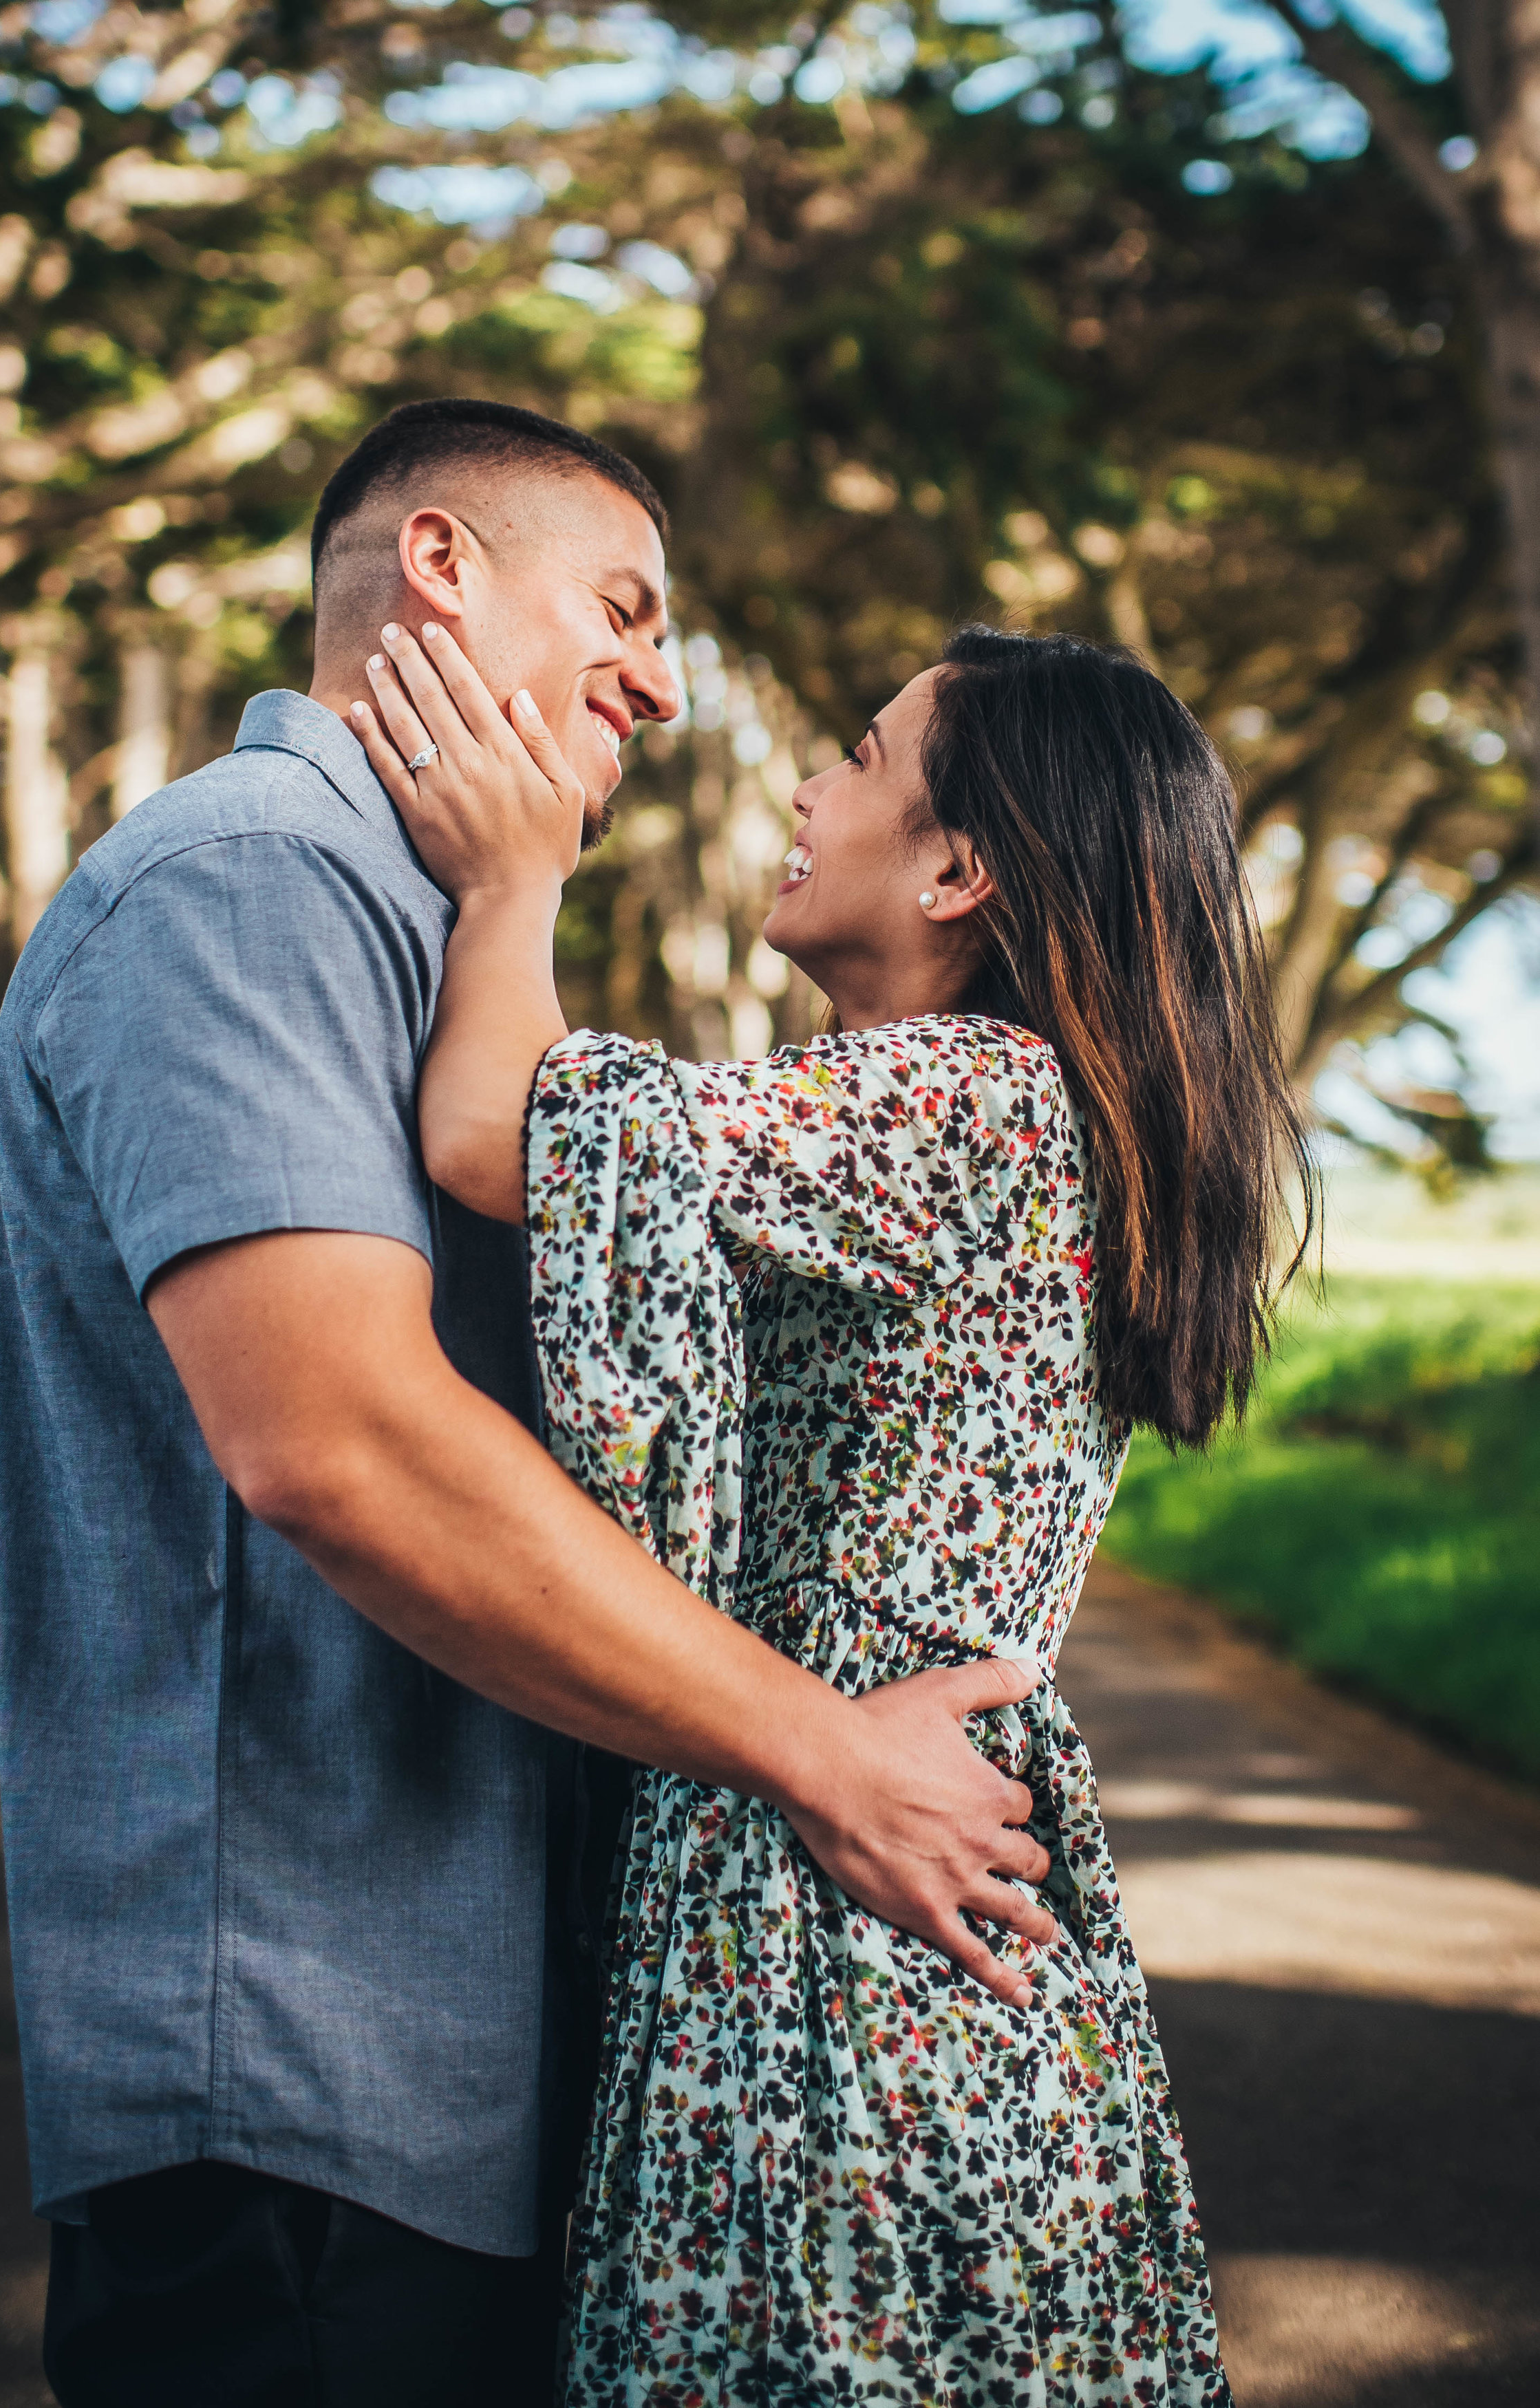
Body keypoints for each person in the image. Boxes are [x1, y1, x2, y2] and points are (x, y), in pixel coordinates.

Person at [0, 399, 1059, 2408]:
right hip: (305, 2068)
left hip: (466, 2059)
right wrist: (822, 1753)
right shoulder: (252, 883)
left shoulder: (428, 928)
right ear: (441, 572)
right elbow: (340, 1439)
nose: (660, 683)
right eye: (626, 609)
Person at [350, 612, 1314, 2403]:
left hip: (841, 1839)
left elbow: (509, 1136)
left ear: (958, 867)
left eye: (859, 755)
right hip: (894, 1803)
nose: (806, 783)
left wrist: (510, 881)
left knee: (815, 2328)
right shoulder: (1005, 1104)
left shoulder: (971, 1088)